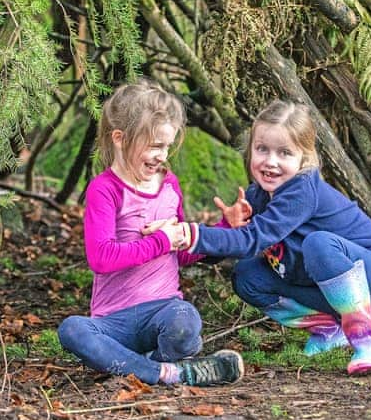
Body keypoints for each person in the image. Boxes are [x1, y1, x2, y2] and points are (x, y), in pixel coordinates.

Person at [180, 100, 371, 375]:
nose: (270, 162)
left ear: (304, 159)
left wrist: (191, 234)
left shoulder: (301, 191)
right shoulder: (257, 195)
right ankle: (328, 329)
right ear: (250, 149)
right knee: (247, 275)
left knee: (319, 243)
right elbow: (233, 246)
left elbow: (253, 239)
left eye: (284, 153)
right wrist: (227, 226)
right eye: (262, 149)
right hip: (323, 287)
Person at [57, 79, 244, 387]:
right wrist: (161, 240)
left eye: (167, 146)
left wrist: (225, 229)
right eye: (155, 146)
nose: (162, 155)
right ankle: (169, 372)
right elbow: (101, 257)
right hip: (112, 321)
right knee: (73, 331)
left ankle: (141, 365)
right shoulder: (105, 189)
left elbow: (182, 254)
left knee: (186, 321)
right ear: (120, 138)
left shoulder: (169, 185)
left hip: (163, 310)